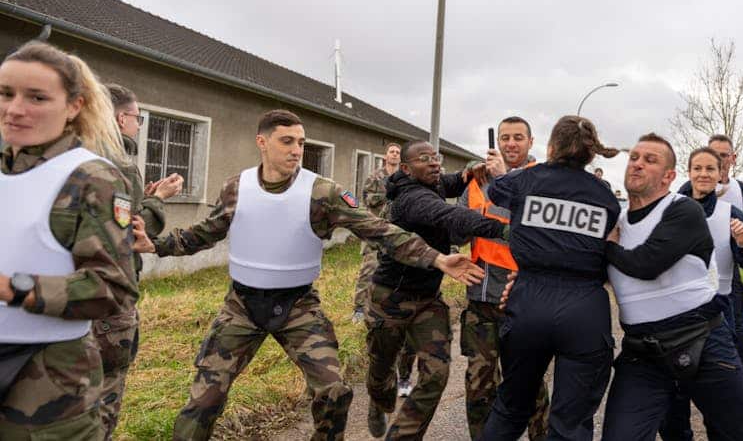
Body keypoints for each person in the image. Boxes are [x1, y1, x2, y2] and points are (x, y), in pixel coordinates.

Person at [141, 110, 480, 441]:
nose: (296, 150)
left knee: (334, 392)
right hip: (242, 306)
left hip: (298, 306)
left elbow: (379, 230)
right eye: (286, 141)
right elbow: (205, 233)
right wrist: (156, 246)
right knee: (204, 401)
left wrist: (435, 258)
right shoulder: (237, 187)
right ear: (262, 142)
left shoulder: (322, 193)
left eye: (301, 142)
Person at [0, 41, 138, 440]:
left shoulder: (92, 178)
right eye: (6, 94)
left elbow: (112, 289)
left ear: (74, 106)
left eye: (37, 97)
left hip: (48, 378)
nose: (15, 108)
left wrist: (13, 287)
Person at [601, 134, 743, 440]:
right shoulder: (618, 221)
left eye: (650, 160)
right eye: (634, 158)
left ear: (669, 176)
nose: (637, 164)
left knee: (740, 432)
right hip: (643, 352)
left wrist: (608, 246)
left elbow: (646, 264)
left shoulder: (685, 210)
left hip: (703, 338)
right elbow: (580, 269)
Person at [480, 115, 621, 440]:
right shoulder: (603, 196)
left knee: (511, 407)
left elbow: (497, 189)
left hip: (528, 302)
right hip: (585, 310)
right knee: (570, 424)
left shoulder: (525, 181)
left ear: (551, 146)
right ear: (590, 154)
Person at [365, 140, 510, 440]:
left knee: (436, 376)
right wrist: (505, 229)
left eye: (435, 157)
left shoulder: (430, 183)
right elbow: (450, 216)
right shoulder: (412, 199)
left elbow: (452, 181)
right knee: (380, 373)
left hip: (428, 301)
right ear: (405, 168)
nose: (434, 163)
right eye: (424, 159)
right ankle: (378, 401)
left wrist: (472, 172)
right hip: (390, 299)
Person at [655, 146, 743, 441]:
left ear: (721, 174)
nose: (704, 174)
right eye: (698, 168)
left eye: (710, 169)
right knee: (672, 408)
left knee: (720, 408)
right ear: (689, 171)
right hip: (673, 319)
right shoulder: (668, 210)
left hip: (718, 319)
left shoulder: (730, 215)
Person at [99, 83, 183, 437]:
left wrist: (141, 200)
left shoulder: (67, 154)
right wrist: (158, 200)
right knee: (102, 400)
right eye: (138, 118)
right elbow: (129, 234)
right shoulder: (118, 163)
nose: (138, 125)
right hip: (107, 299)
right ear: (121, 118)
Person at [458, 116, 550, 440]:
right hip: (481, 299)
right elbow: (458, 229)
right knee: (478, 385)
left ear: (531, 141)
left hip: (523, 300)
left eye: (518, 137)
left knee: (530, 385)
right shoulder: (477, 182)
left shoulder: (544, 181)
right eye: (505, 137)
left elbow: (543, 232)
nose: (511, 143)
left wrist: (506, 179)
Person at [350, 142, 417, 398]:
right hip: (376, 227)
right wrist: (389, 195)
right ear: (385, 156)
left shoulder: (404, 175)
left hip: (396, 229)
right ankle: (359, 307)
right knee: (368, 269)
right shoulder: (375, 176)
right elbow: (369, 199)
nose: (393, 155)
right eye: (390, 152)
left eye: (397, 152)